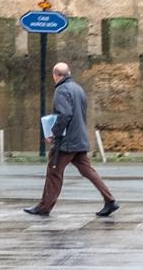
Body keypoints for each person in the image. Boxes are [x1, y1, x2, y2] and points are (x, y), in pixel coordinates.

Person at [24, 63, 119, 218]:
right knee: (88, 171)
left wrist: (54, 133)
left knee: (54, 172)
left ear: (55, 75)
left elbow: (65, 114)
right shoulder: (78, 89)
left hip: (66, 142)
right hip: (79, 138)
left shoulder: (61, 90)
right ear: (68, 72)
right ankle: (110, 200)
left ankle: (44, 207)